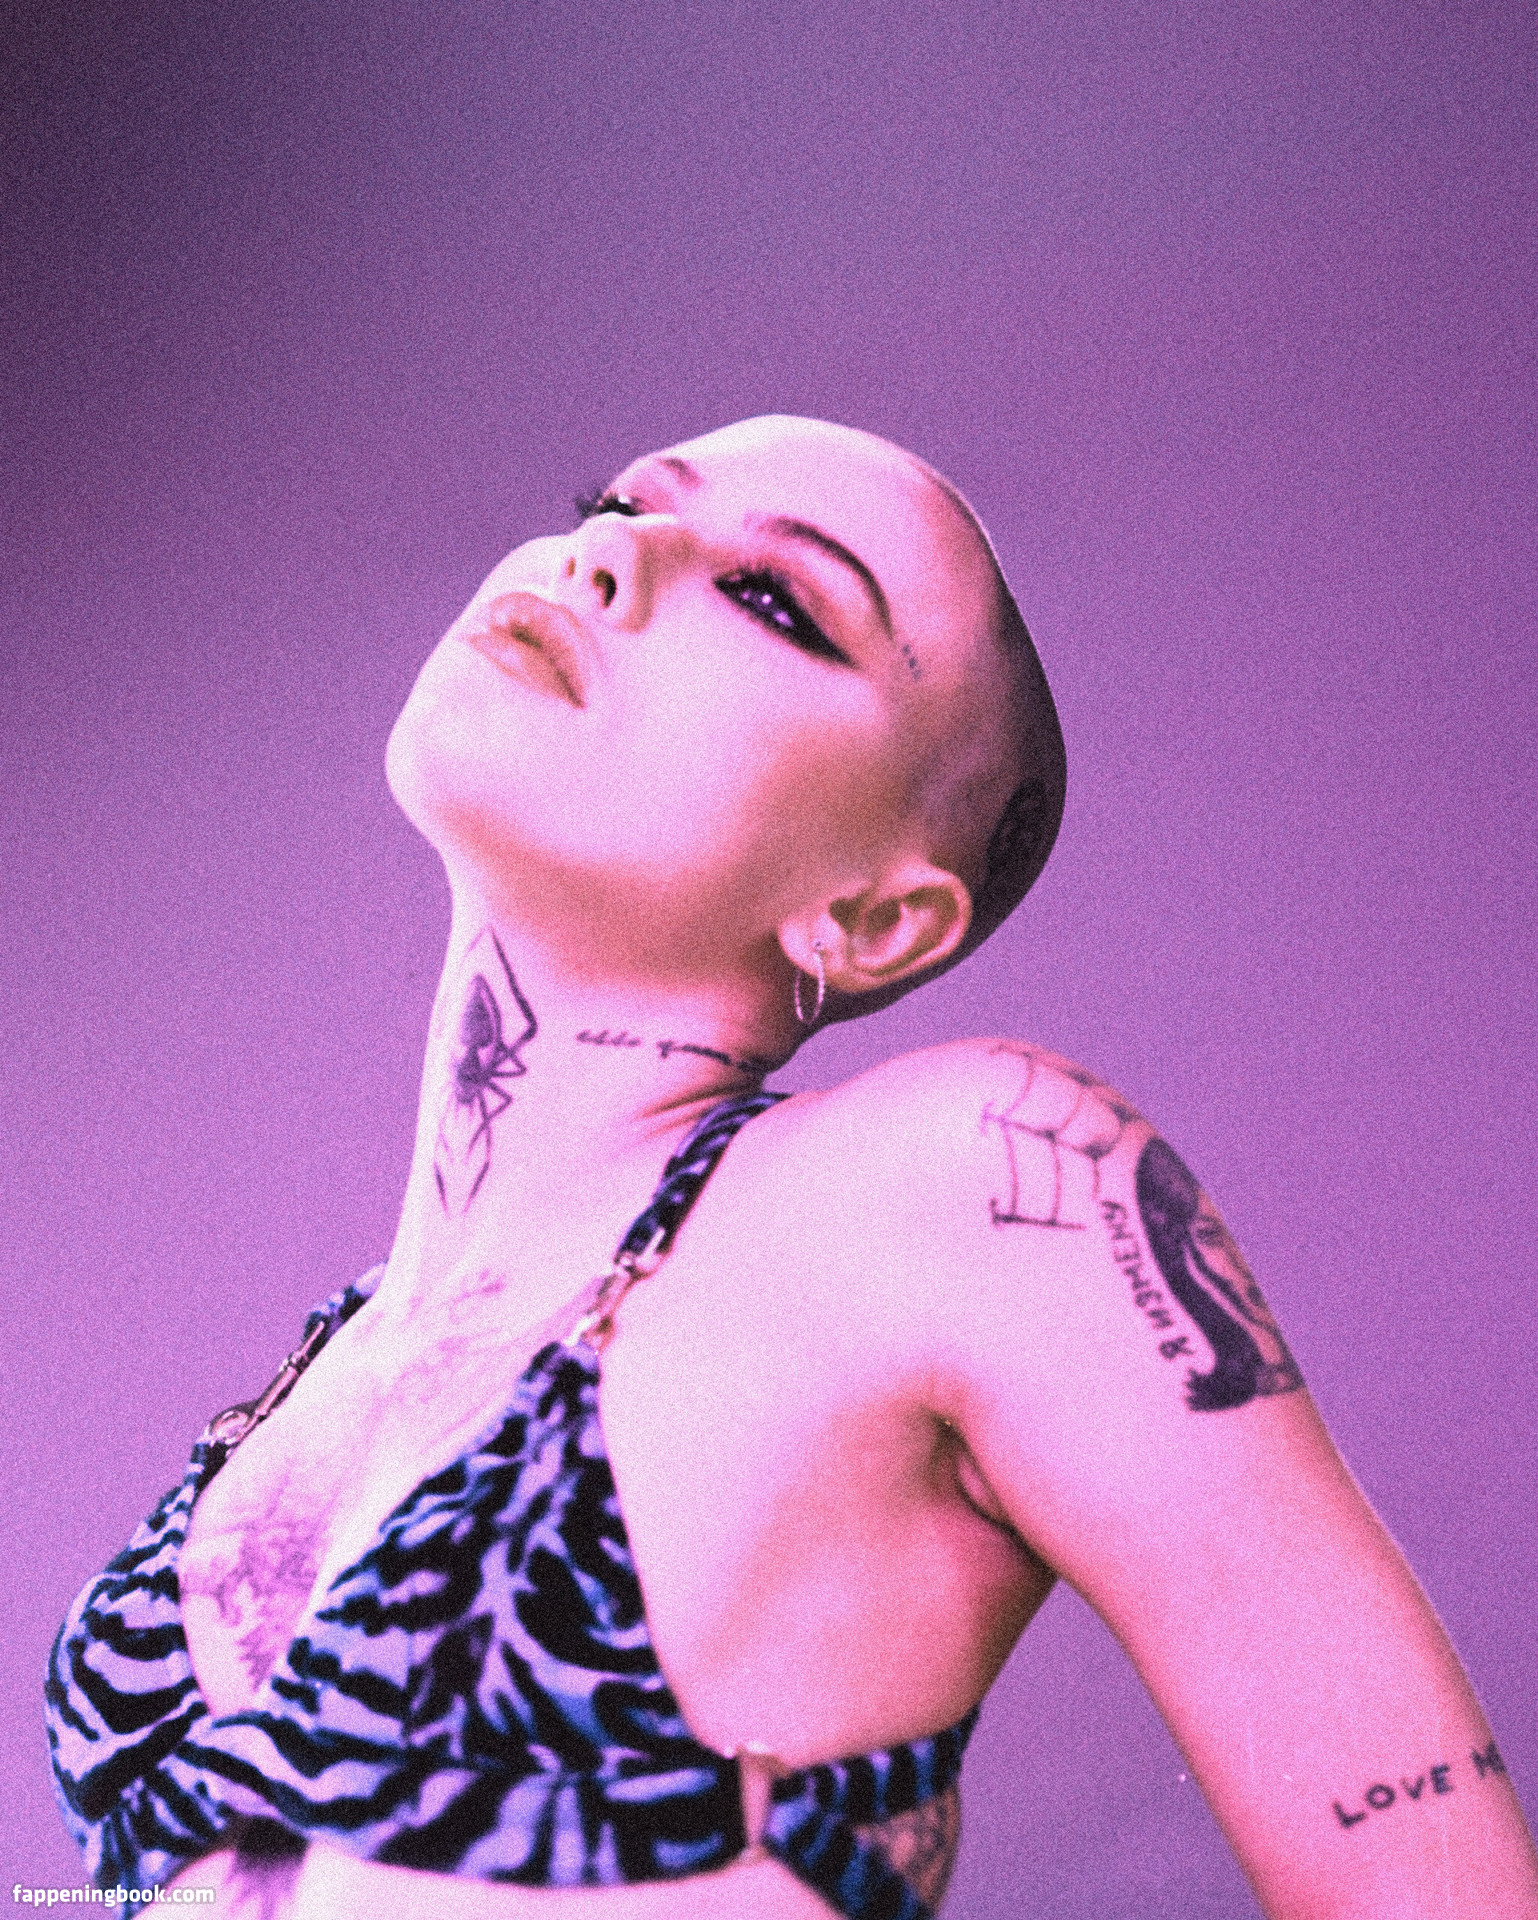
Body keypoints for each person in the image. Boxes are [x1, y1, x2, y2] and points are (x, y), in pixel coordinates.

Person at [46, 415, 1538, 1919]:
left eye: (774, 599)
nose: (610, 554)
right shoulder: (325, 1371)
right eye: (612, 502)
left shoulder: (969, 1178)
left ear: (874, 918)